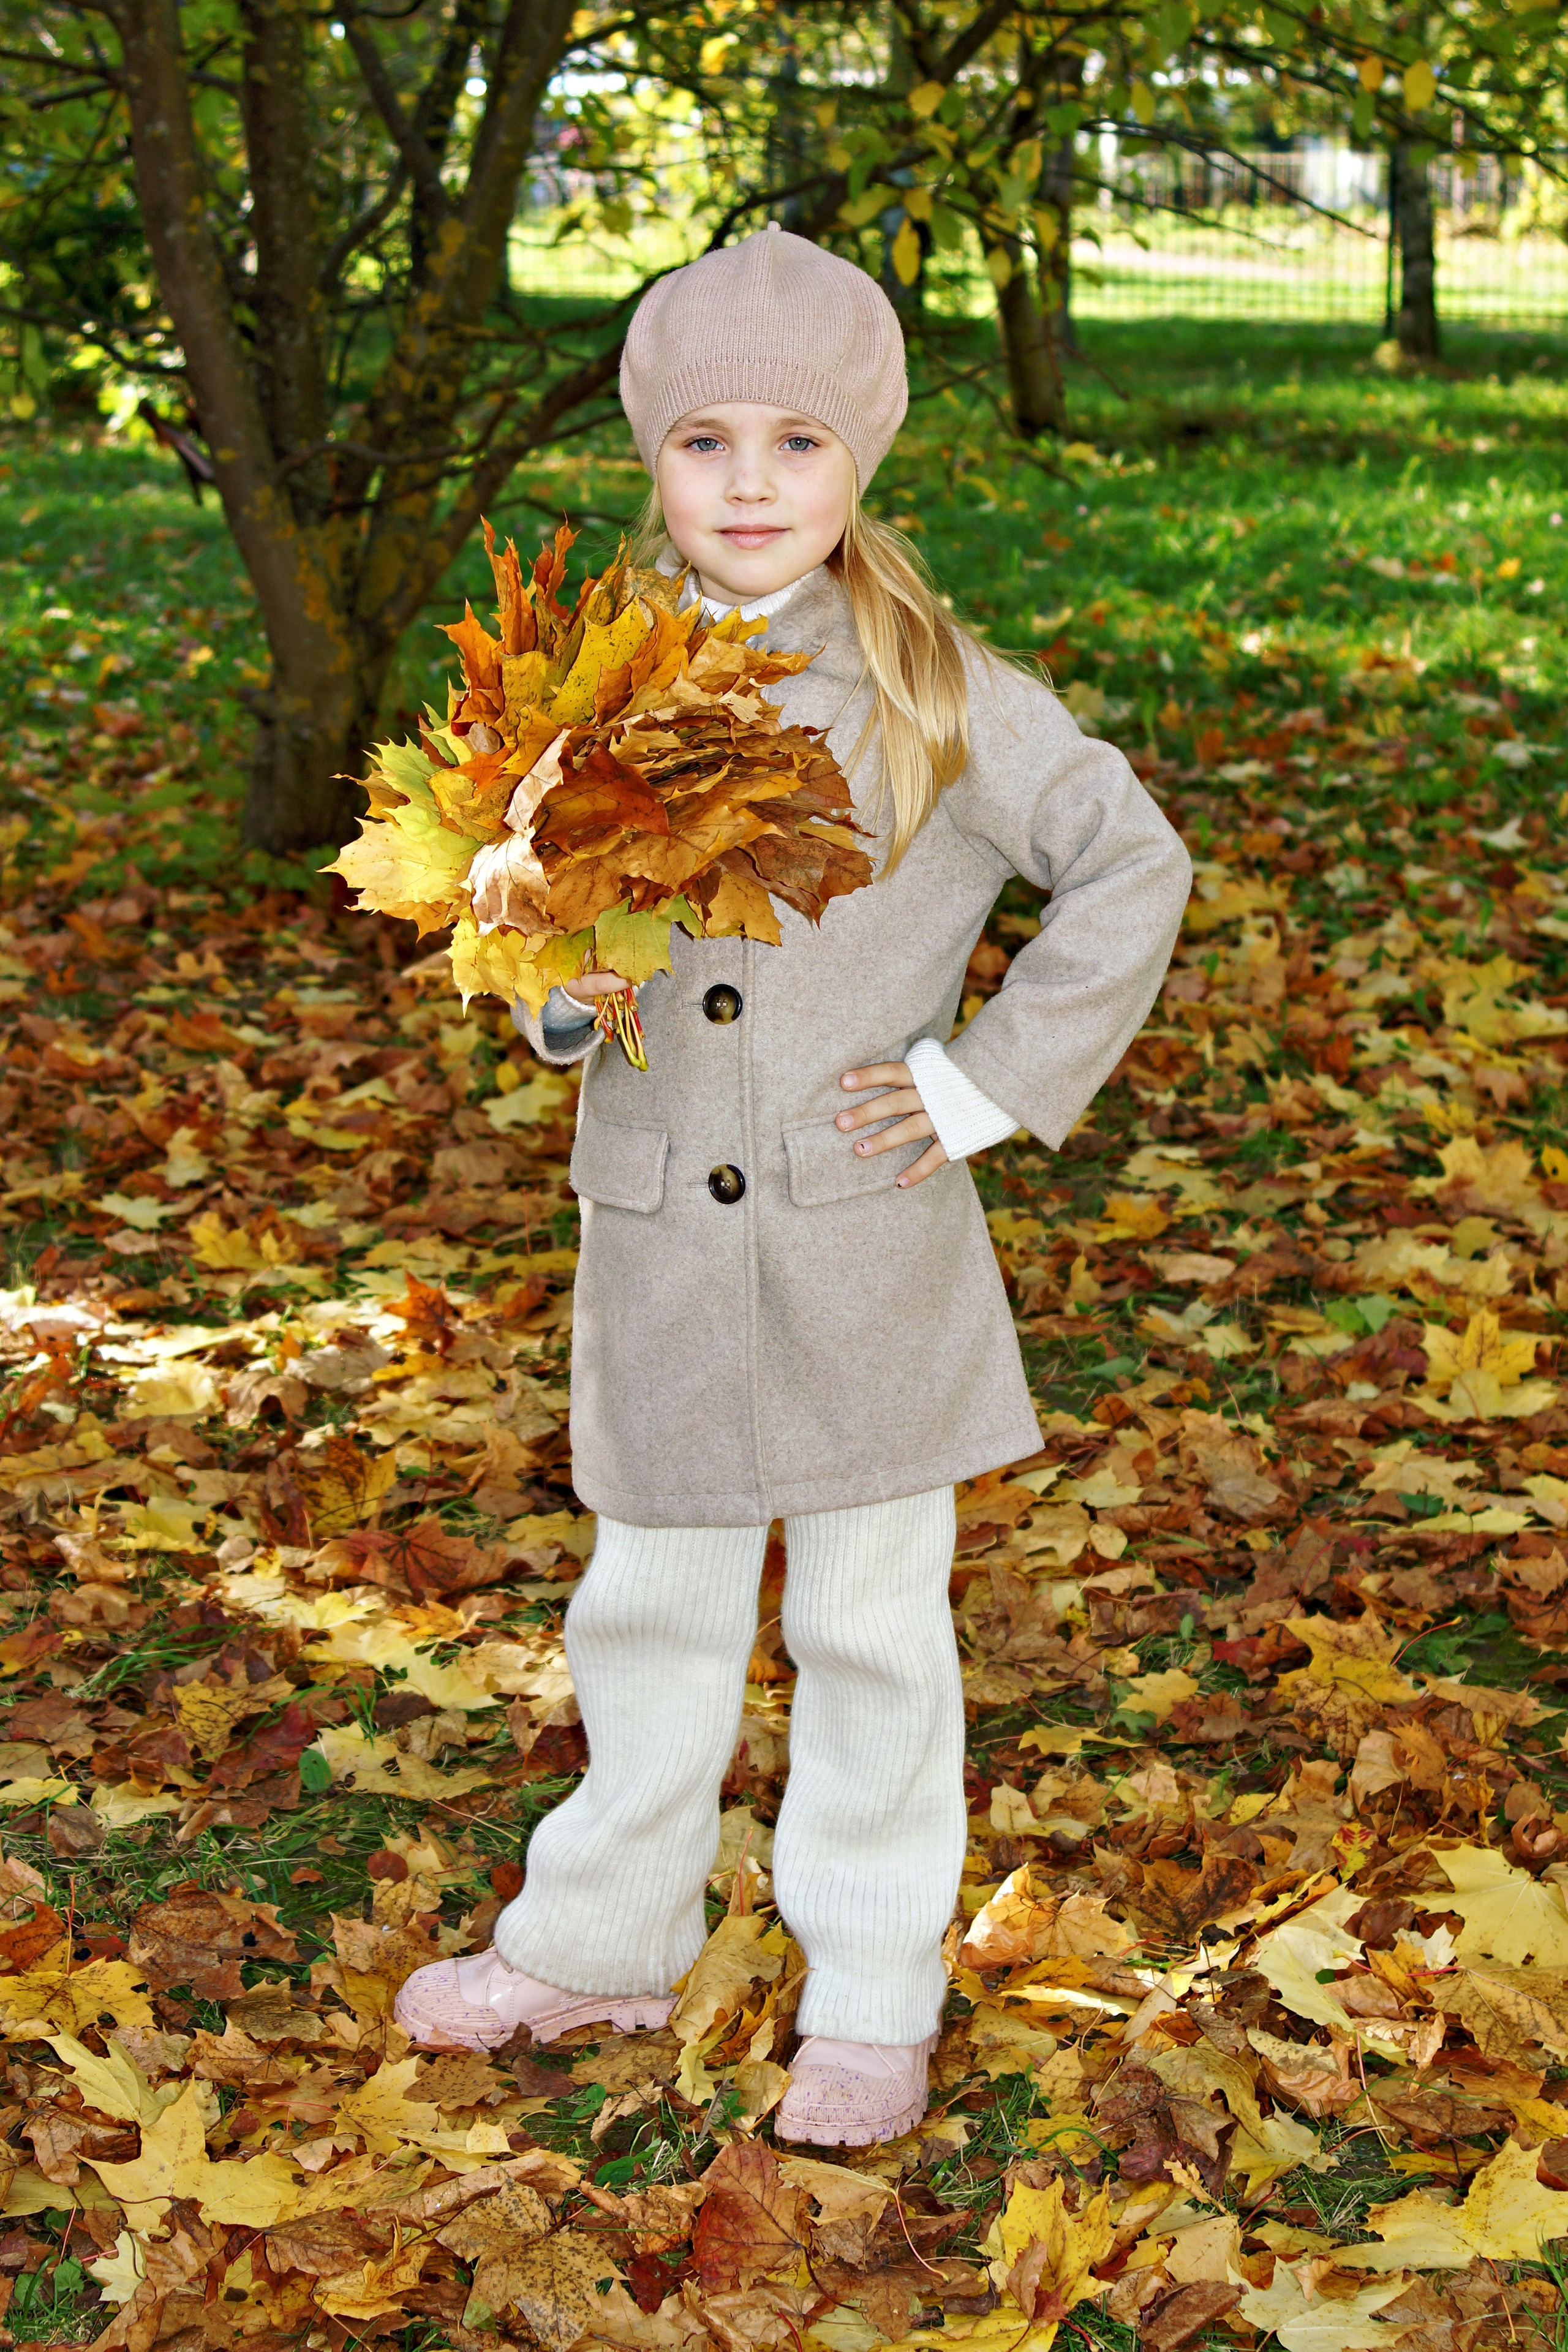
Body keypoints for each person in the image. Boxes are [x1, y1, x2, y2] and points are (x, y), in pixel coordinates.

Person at [395, 225, 1191, 2146]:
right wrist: (568, 1013)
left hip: (867, 1249)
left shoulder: (937, 689)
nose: (751, 484)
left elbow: (1132, 865)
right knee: (646, 1612)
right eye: (707, 444)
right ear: (653, 461)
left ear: (864, 462)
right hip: (663, 1239)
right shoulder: (583, 691)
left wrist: (991, 1081)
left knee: (872, 1629)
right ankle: (598, 1937)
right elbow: (543, 948)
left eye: (797, 444)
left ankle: (872, 1987)